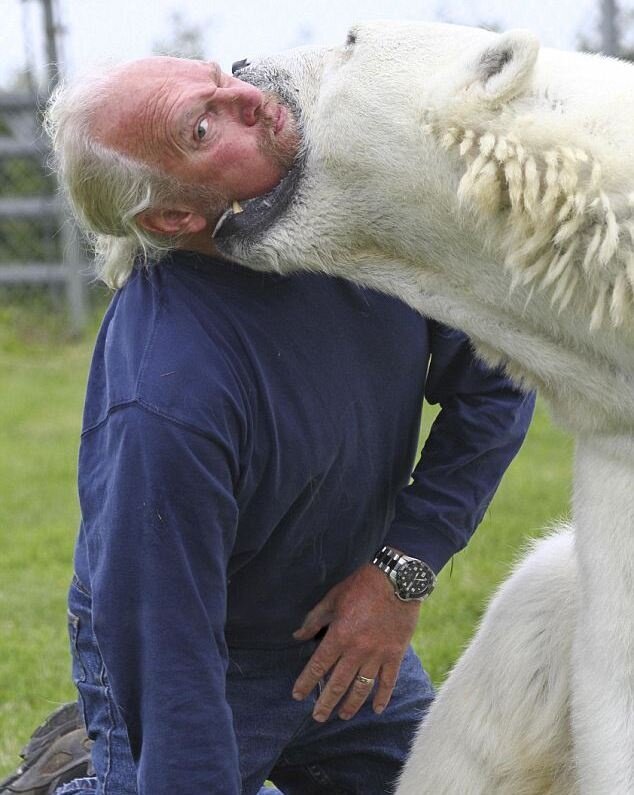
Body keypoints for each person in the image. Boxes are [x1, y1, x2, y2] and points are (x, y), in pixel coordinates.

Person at [1, 57, 535, 795]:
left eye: (218, 79)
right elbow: (169, 649)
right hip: (205, 652)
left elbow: (498, 380)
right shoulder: (169, 393)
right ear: (172, 218)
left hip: (346, 624)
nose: (247, 99)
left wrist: (397, 573)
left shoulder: (370, 226)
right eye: (201, 125)